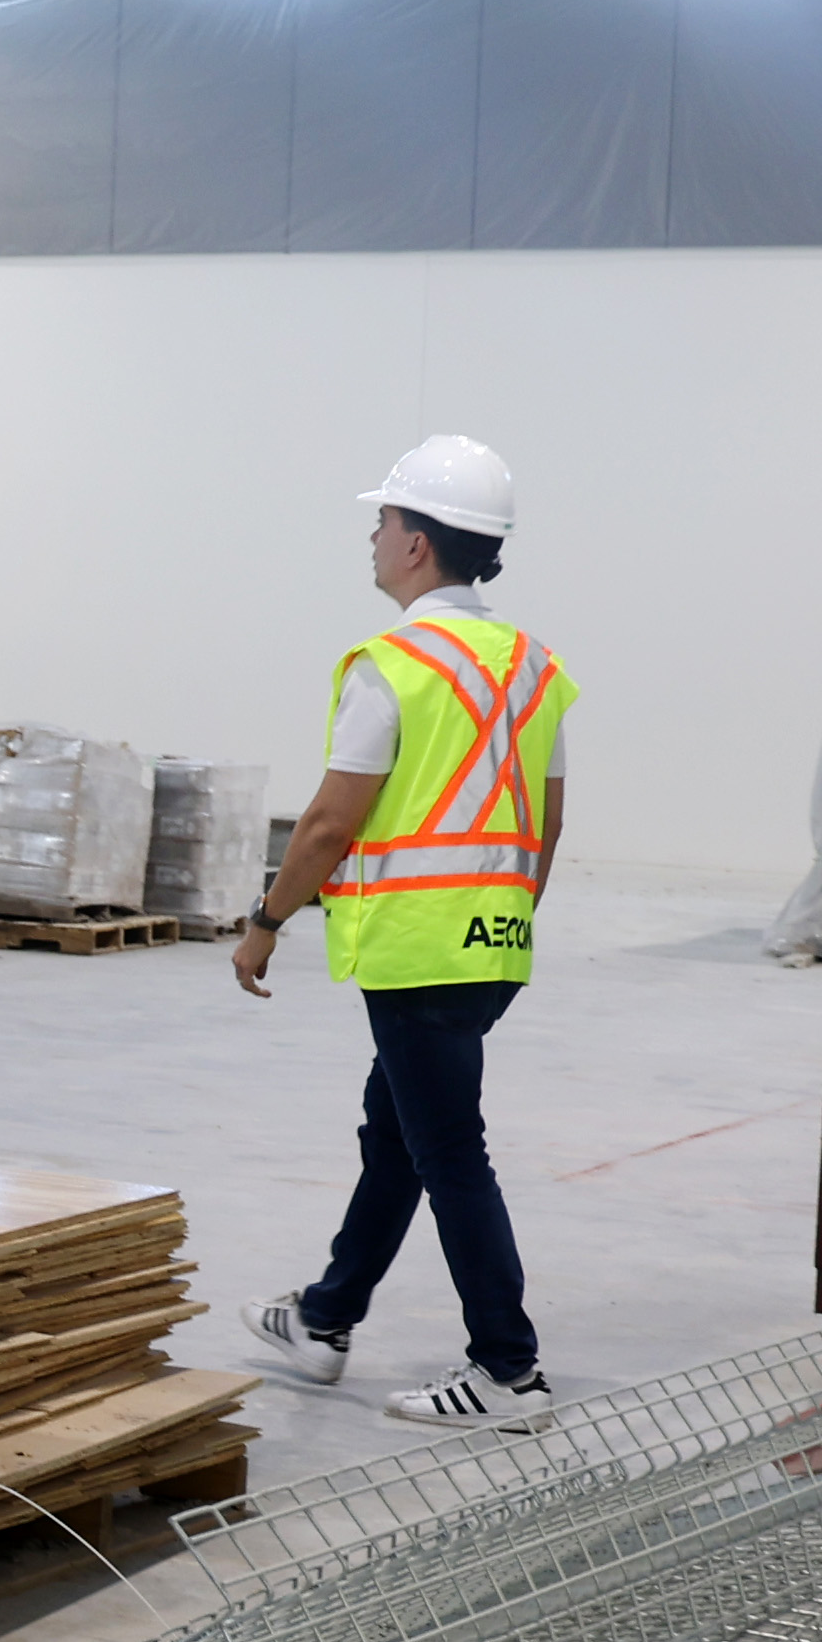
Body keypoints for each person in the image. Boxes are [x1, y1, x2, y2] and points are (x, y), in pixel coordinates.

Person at [231, 437, 578, 1424]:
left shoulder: (392, 666)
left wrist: (264, 923)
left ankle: (510, 1372)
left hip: (416, 952)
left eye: (382, 521)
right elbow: (547, 820)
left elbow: (330, 823)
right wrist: (502, 915)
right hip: (491, 947)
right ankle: (328, 1317)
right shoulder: (534, 666)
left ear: (418, 545)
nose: (372, 536)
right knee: (400, 1137)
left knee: (447, 1151)